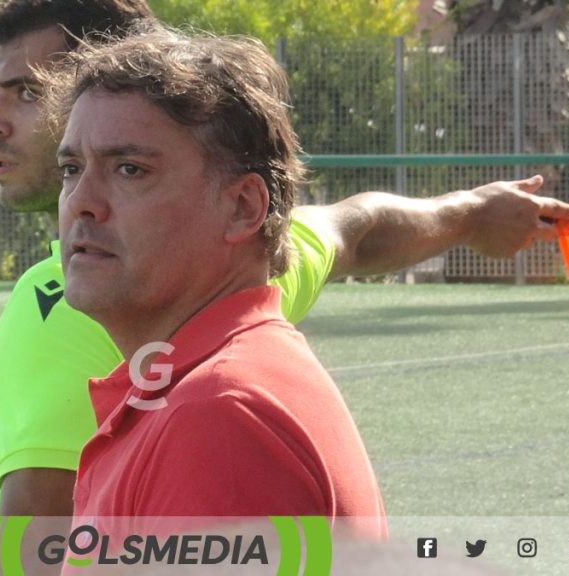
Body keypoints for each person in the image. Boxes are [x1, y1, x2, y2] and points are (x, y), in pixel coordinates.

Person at [0, 0, 569, 517]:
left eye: (26, 92)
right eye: (74, 168)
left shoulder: (199, 405)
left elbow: (38, 551)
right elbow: (355, 230)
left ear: (243, 207)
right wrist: (471, 210)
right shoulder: (249, 272)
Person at [45, 25, 385, 536]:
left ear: (243, 207)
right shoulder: (203, 388)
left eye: (130, 169)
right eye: (71, 168)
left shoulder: (216, 417)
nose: (81, 202)